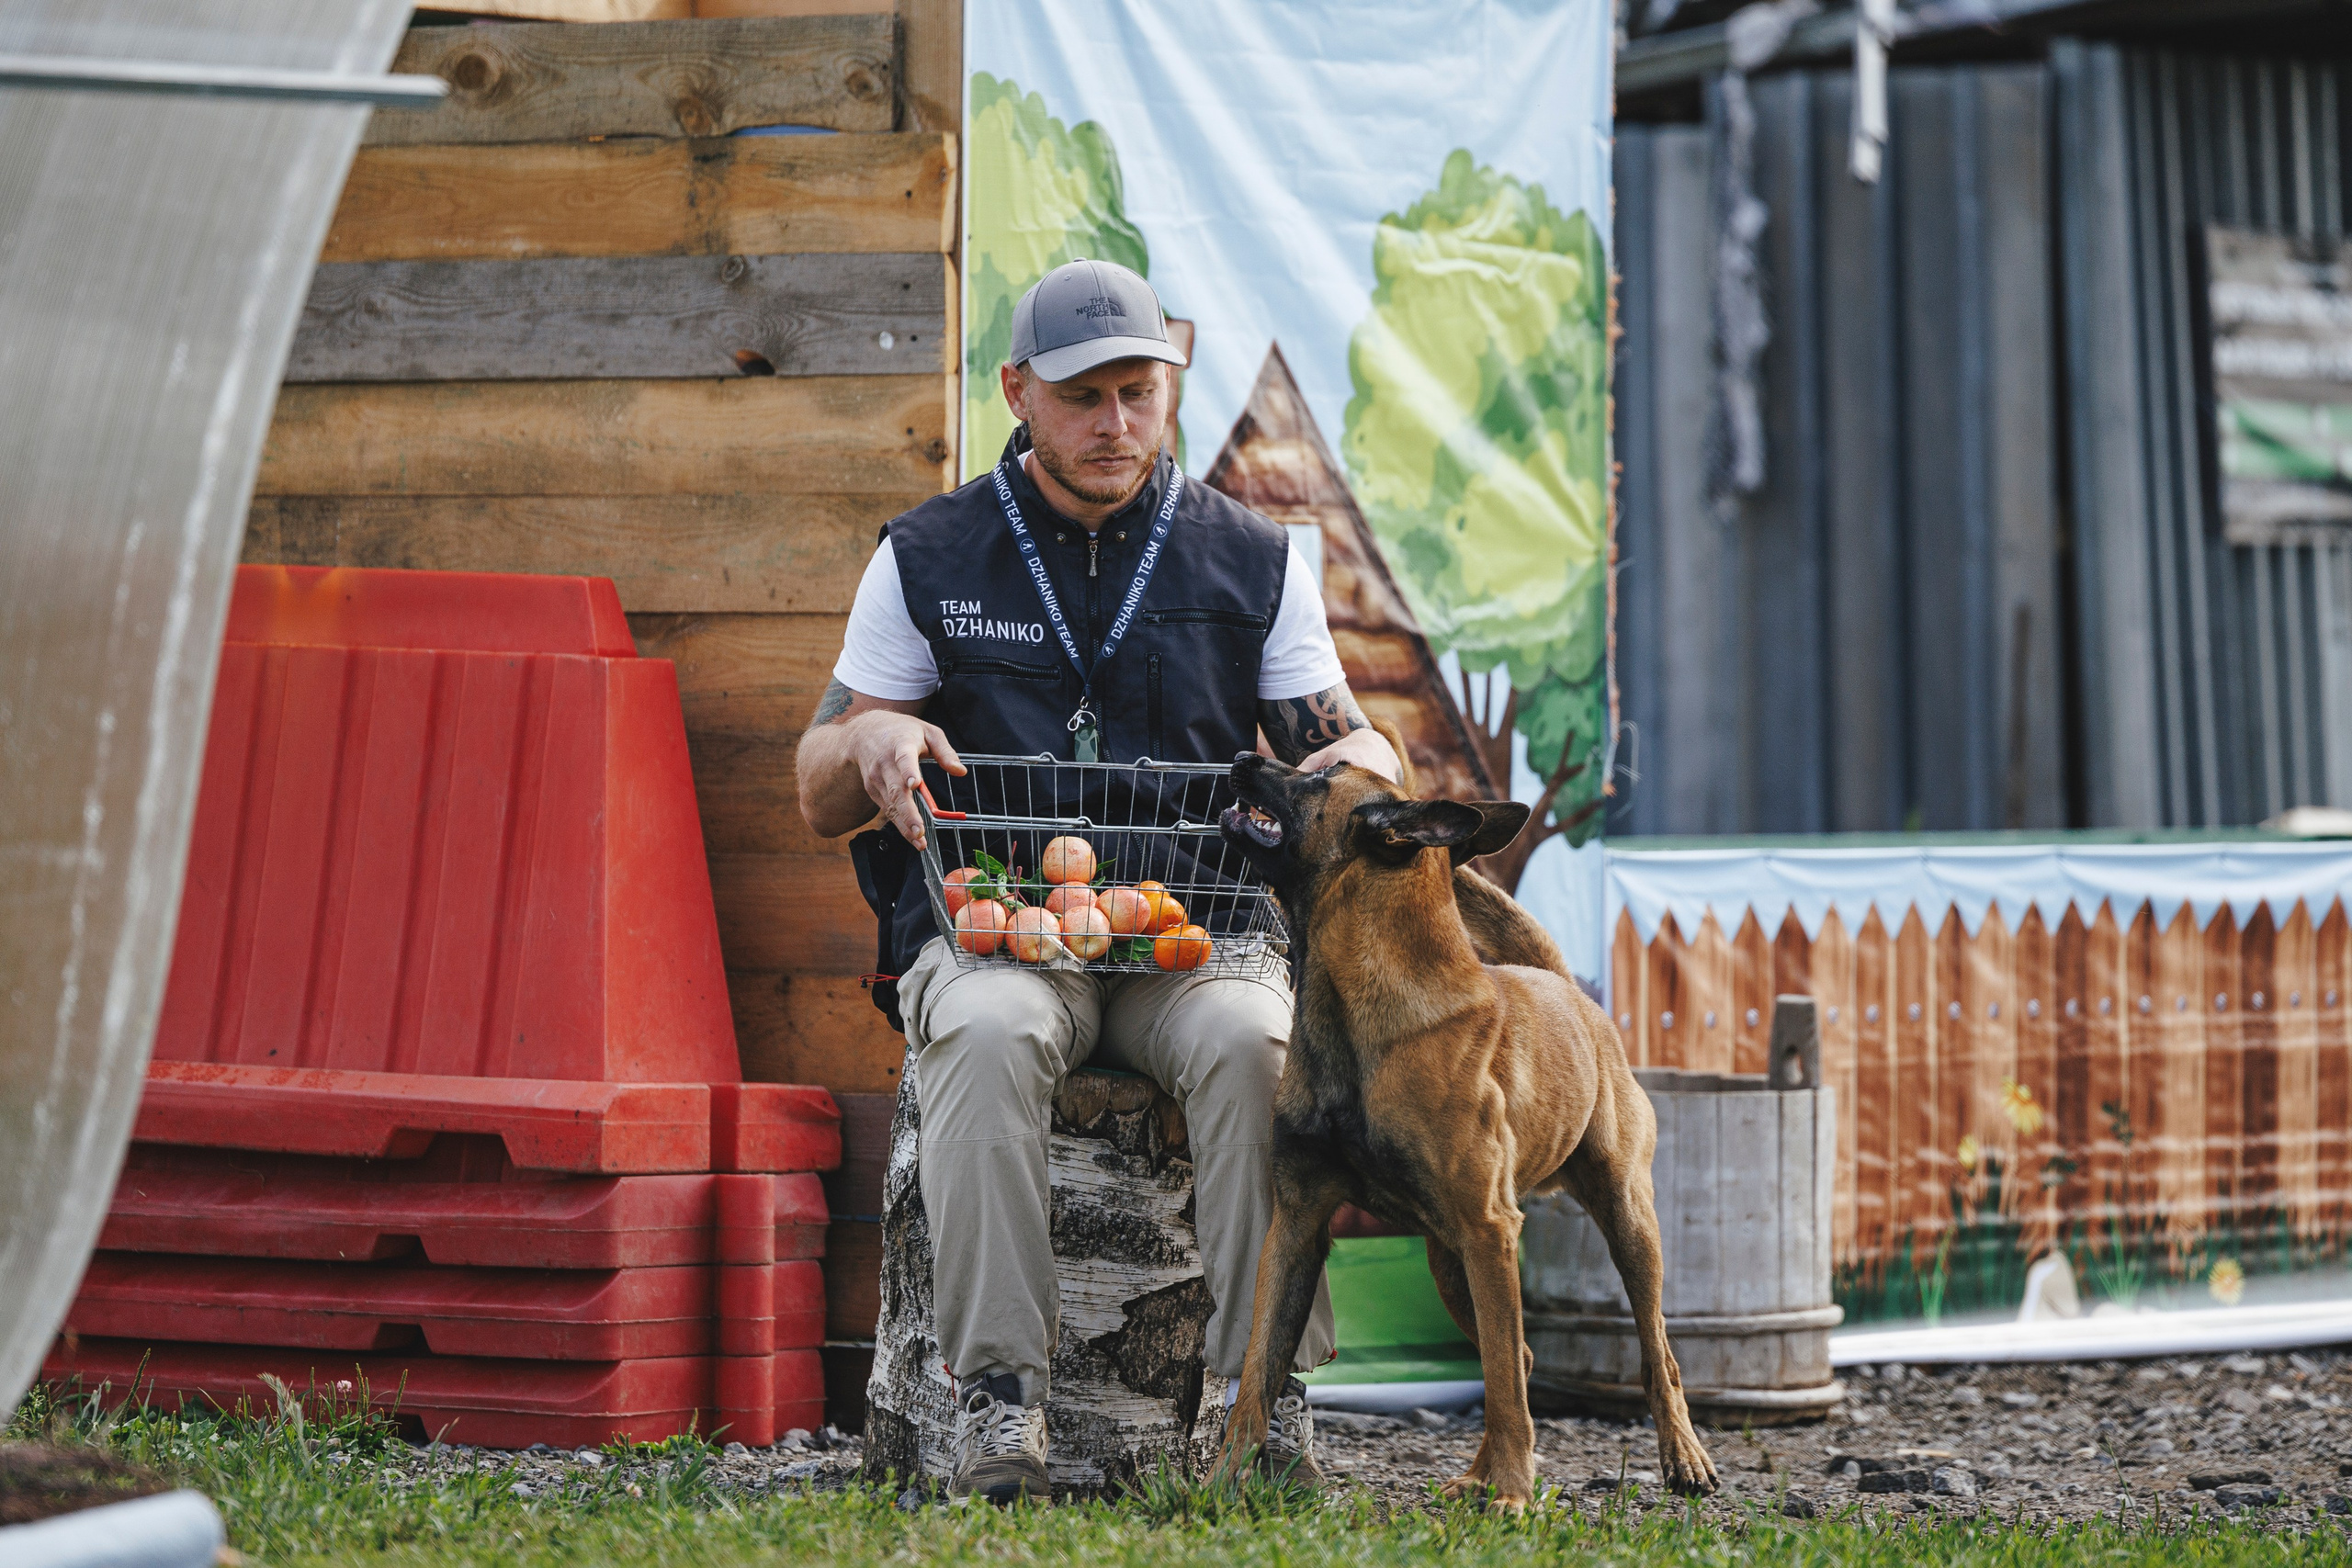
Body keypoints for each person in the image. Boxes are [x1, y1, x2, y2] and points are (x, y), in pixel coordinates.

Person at [798, 258, 1398, 1502]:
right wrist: (872, 739)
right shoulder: (929, 553)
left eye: (1140, 392)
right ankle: (998, 1404)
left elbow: (1347, 743)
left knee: (1257, 1046)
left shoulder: (1252, 561)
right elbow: (814, 789)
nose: (1116, 423)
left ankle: (1263, 1401)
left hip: (1197, 937)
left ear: (1170, 387)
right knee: (984, 1032)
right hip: (998, 934)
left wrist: (1368, 762)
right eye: (1083, 397)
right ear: (1018, 391)